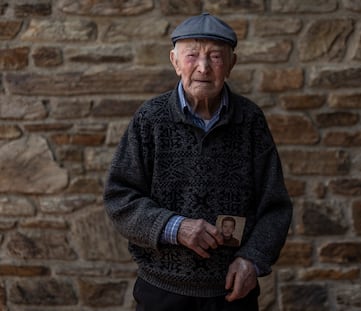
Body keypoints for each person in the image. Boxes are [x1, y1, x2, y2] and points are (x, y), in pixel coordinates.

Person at [103, 12, 292, 311]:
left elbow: (275, 207)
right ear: (175, 62)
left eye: (215, 57)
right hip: (162, 292)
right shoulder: (150, 118)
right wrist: (175, 227)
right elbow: (120, 199)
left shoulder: (250, 120)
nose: (203, 67)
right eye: (192, 56)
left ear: (231, 64)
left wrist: (252, 260)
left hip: (232, 294)